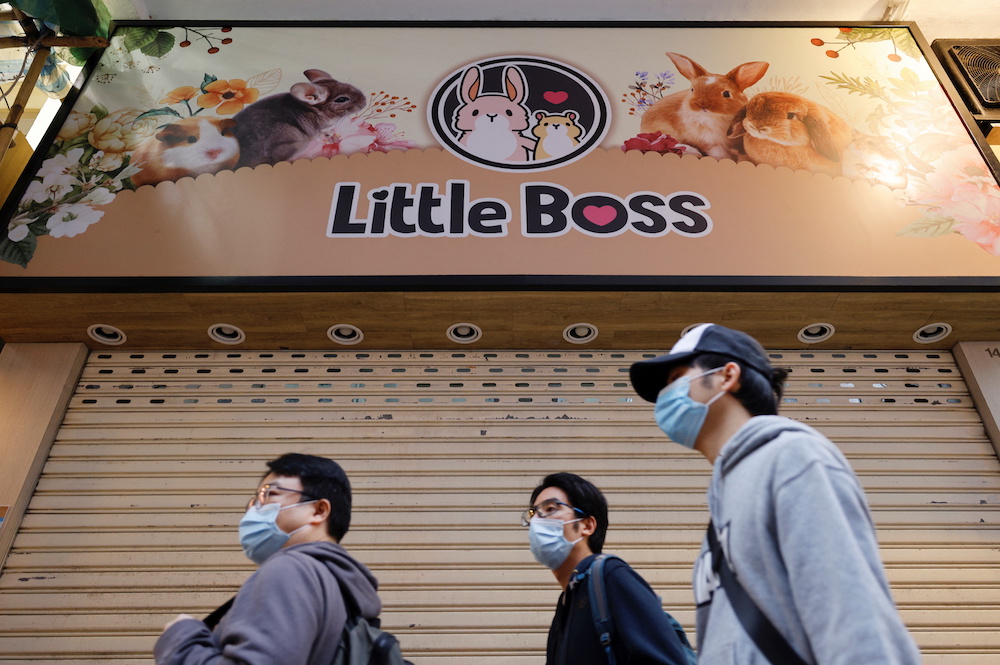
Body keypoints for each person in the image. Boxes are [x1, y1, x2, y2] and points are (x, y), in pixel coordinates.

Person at [629, 323, 922, 664]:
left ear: (727, 376)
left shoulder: (793, 458)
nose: (667, 395)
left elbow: (855, 621)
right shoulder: (727, 492)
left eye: (676, 377)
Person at [154, 453, 383, 665]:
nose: (254, 510)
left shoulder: (290, 570)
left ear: (319, 510)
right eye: (254, 501)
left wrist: (181, 638)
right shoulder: (340, 587)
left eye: (269, 495)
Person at [524, 472, 692, 665]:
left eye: (550, 508)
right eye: (533, 513)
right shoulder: (566, 603)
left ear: (587, 525)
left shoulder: (610, 576)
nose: (537, 520)